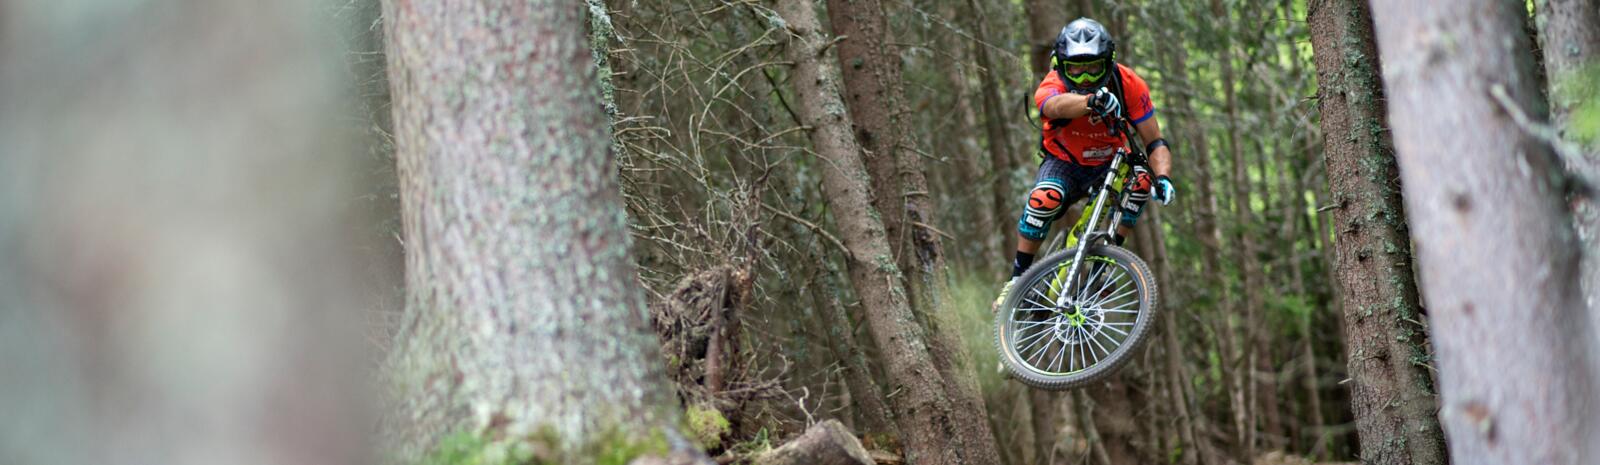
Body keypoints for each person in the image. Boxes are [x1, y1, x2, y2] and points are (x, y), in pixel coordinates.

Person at [994, 17, 1177, 309]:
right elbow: (1051, 105)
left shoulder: (1128, 83)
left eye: (1094, 67)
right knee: (1044, 199)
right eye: (1075, 69)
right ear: (1060, 64)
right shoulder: (1052, 83)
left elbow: (1155, 141)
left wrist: (1164, 177)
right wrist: (1090, 102)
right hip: (1064, 160)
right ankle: (1016, 278)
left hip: (1112, 163)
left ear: (1109, 62)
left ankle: (1103, 266)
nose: (1085, 77)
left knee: (1143, 179)